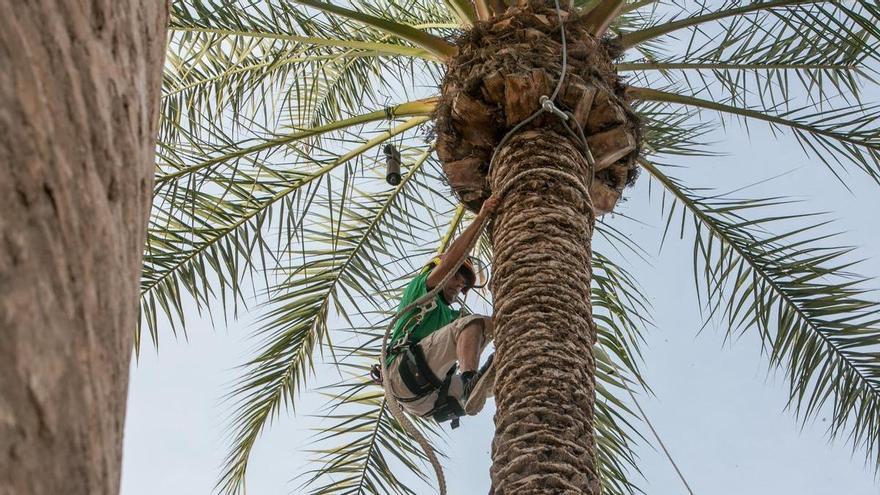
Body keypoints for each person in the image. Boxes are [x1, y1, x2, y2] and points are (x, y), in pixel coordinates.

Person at [383, 195, 500, 425]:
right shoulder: (420, 289)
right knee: (471, 324)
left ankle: (474, 386)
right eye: (458, 276)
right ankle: (469, 380)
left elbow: (496, 324)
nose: (460, 285)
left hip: (432, 400)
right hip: (405, 374)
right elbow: (449, 262)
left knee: (500, 356)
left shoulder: (450, 316)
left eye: (464, 284)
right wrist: (482, 215)